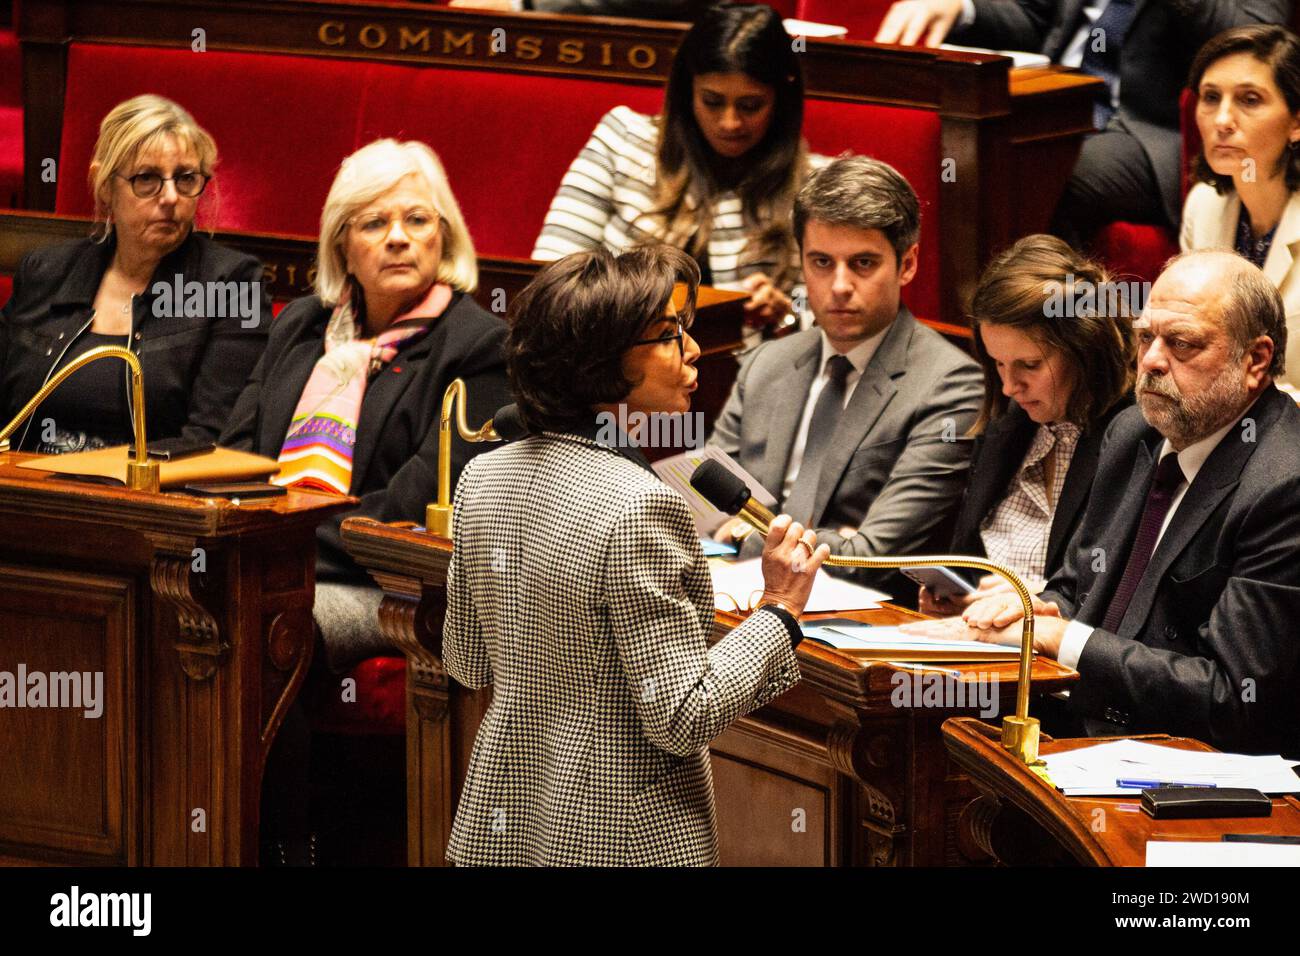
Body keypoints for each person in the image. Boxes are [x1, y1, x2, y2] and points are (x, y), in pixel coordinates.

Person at [443, 245, 828, 866]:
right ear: (601, 361)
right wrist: (779, 610)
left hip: (504, 825)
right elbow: (683, 715)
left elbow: (467, 662)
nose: (694, 350)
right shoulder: (640, 506)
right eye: (670, 335)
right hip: (618, 839)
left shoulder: (482, 476)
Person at [907, 250, 1300, 758]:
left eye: (1182, 343)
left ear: (1255, 360)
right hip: (1083, 733)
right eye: (1146, 337)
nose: (1152, 360)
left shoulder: (1285, 484)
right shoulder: (1132, 433)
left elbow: (1232, 699)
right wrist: (1031, 610)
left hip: (1197, 771)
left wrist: (1061, 638)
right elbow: (1076, 588)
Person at [223, 138, 510, 662]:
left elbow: (410, 509)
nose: (398, 238)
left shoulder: (477, 347)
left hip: (389, 587)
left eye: (417, 220)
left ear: (444, 237)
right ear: (343, 248)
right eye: (375, 224)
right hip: (269, 561)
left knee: (262, 627)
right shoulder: (301, 325)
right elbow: (236, 457)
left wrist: (274, 547)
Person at [708, 155, 983, 593]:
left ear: (908, 264)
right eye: (821, 262)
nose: (839, 286)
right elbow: (706, 509)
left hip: (860, 618)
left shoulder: (951, 386)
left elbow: (872, 556)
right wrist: (834, 539)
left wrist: (747, 534)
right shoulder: (766, 363)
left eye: (863, 263)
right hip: (735, 598)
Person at [875, 0, 1292, 247]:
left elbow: (1257, 39)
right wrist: (961, 7)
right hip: (1047, 102)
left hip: (1150, 129)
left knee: (1046, 171)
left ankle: (1052, 340)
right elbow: (1037, 21)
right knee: (943, 148)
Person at [0, 94, 268, 452]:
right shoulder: (46, 272)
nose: (170, 197)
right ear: (105, 185)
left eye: (186, 178)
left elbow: (211, 443)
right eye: (147, 178)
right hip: (26, 481)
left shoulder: (232, 286)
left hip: (152, 487)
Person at [532, 4, 824, 327]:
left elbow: (837, 317)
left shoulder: (815, 185)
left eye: (750, 105)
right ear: (688, 92)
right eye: (712, 101)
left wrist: (787, 317)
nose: (729, 122)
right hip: (619, 348)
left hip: (753, 357)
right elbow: (553, 279)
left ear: (781, 99)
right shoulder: (623, 139)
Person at [922, 234, 1134, 615]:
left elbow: (1114, 595)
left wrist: (1032, 597)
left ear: (1082, 347)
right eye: (998, 363)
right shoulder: (1007, 422)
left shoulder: (1134, 436)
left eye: (1029, 365)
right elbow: (965, 561)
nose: (1008, 386)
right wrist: (956, 599)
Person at [1182, 24, 1300, 391]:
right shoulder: (1204, 205)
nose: (1222, 121)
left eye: (1250, 100)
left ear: (1296, 122)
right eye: (1211, 97)